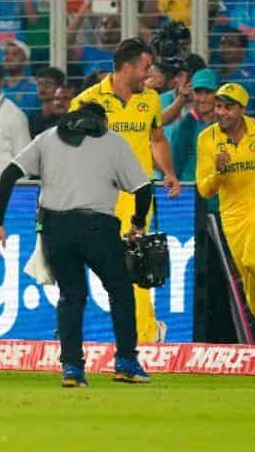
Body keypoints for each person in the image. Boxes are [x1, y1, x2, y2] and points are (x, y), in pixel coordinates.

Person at [0, 102, 155, 387]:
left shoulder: (48, 137)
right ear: (101, 121)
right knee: (120, 291)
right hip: (97, 227)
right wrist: (138, 224)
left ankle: (72, 369)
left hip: (55, 229)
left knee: (71, 296)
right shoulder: (113, 142)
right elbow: (143, 188)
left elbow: (10, 174)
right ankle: (126, 362)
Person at [71, 38, 182, 343]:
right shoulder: (87, 101)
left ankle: (145, 336)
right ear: (126, 67)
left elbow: (157, 139)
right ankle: (72, 327)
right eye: (145, 68)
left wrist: (169, 172)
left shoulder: (150, 101)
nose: (149, 75)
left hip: (135, 195)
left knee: (136, 264)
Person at [196, 83, 255, 343]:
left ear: (242, 109)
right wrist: (219, 172)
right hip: (232, 217)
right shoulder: (207, 139)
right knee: (253, 298)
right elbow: (204, 189)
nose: (221, 112)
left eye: (228, 107)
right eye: (219, 106)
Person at [168, 68, 219, 183]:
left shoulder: (228, 124)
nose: (203, 99)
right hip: (192, 194)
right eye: (198, 92)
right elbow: (175, 168)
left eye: (208, 92)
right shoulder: (184, 127)